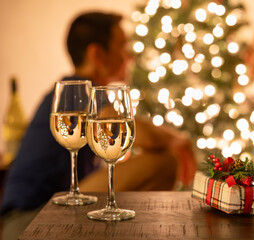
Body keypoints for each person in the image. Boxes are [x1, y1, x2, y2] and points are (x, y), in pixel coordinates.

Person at [1, 11, 196, 239]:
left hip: (38, 214)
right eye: (122, 46)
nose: (129, 56)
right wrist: (177, 139)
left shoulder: (72, 89)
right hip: (27, 220)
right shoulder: (79, 91)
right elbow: (143, 136)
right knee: (162, 163)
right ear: (97, 54)